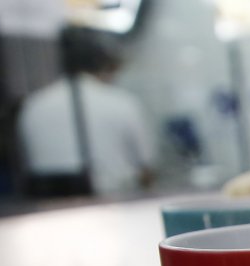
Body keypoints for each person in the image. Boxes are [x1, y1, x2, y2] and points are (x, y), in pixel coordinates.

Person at [18, 28, 155, 197]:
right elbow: (146, 168)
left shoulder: (33, 105)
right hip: (114, 203)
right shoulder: (122, 102)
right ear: (104, 65)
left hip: (48, 207)